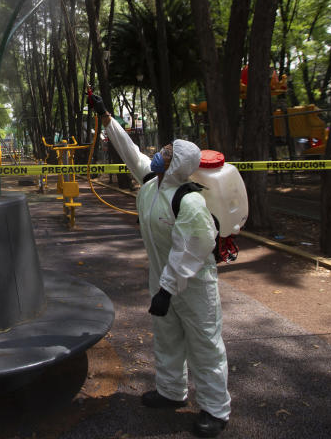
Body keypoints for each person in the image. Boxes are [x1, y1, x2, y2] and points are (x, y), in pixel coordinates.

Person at [89, 93, 230, 438]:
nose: (159, 152)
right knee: (166, 339)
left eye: (166, 151)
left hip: (193, 286)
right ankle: (171, 392)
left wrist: (167, 289)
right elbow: (130, 152)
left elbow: (192, 250)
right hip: (163, 281)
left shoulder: (189, 200)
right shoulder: (152, 185)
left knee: (204, 346)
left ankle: (215, 410)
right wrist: (106, 117)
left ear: (177, 162)